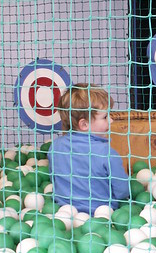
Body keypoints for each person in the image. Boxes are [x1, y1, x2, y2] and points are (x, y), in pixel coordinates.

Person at [48, 84, 129, 215]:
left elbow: (54, 178)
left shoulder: (55, 147)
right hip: (101, 214)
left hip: (65, 213)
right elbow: (122, 190)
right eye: (105, 117)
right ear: (84, 124)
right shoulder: (106, 152)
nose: (111, 120)